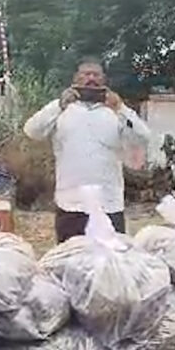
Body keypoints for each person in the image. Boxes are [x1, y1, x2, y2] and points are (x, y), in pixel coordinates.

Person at [24, 57, 150, 243]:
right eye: (86, 74)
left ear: (104, 80)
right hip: (71, 203)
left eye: (96, 74)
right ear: (76, 79)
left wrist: (120, 108)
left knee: (112, 261)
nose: (91, 78)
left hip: (108, 202)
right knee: (70, 261)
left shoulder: (115, 113)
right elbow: (32, 131)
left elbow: (143, 137)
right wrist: (59, 104)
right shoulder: (62, 110)